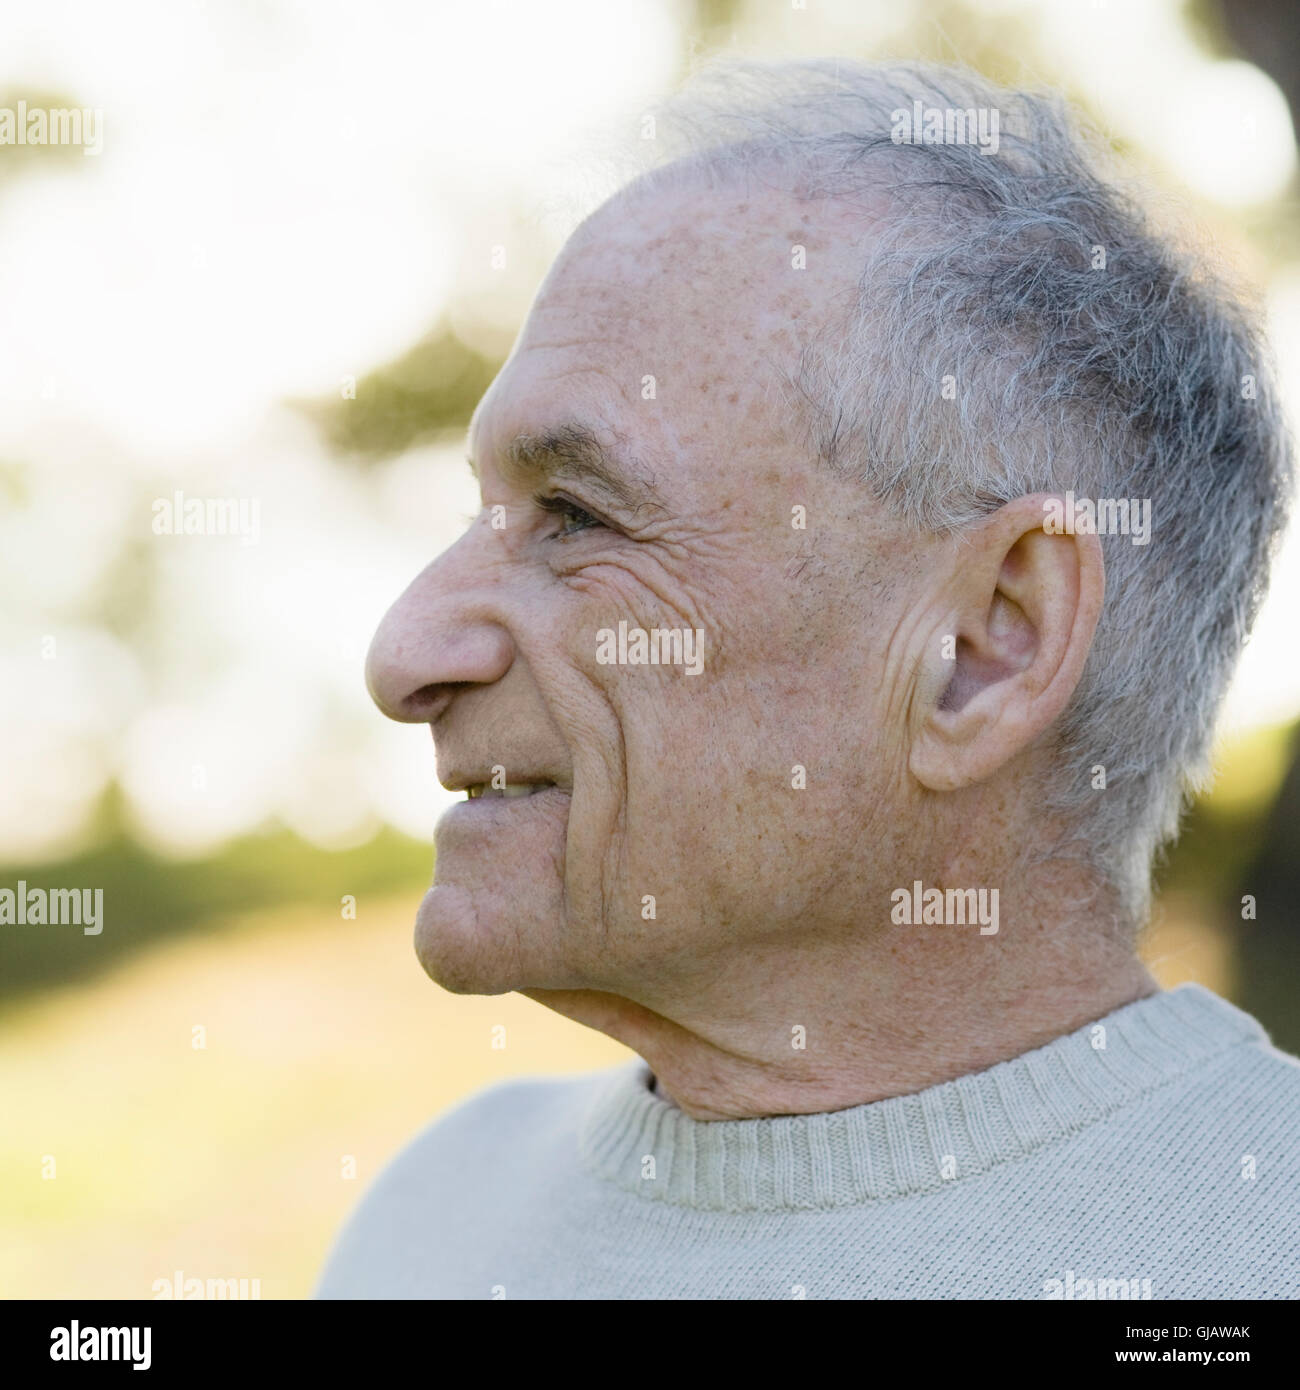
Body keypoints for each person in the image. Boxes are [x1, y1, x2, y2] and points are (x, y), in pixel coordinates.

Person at [319, 59, 1300, 1299]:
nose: (406, 653)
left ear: (985, 647)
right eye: (484, 513)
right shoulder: (434, 1212)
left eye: (575, 514)